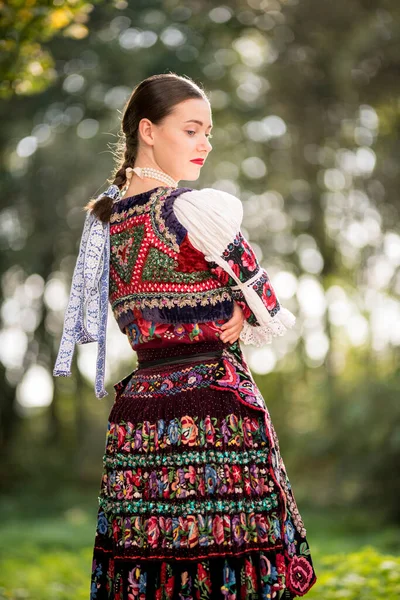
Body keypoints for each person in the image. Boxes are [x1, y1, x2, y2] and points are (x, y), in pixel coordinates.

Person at [53, 73, 317, 599]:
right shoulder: (193, 210)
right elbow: (268, 302)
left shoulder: (103, 226)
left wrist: (240, 304)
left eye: (209, 132)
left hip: (141, 419)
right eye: (192, 130)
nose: (205, 144)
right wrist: (244, 305)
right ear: (148, 130)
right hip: (213, 410)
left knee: (152, 574)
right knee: (226, 570)